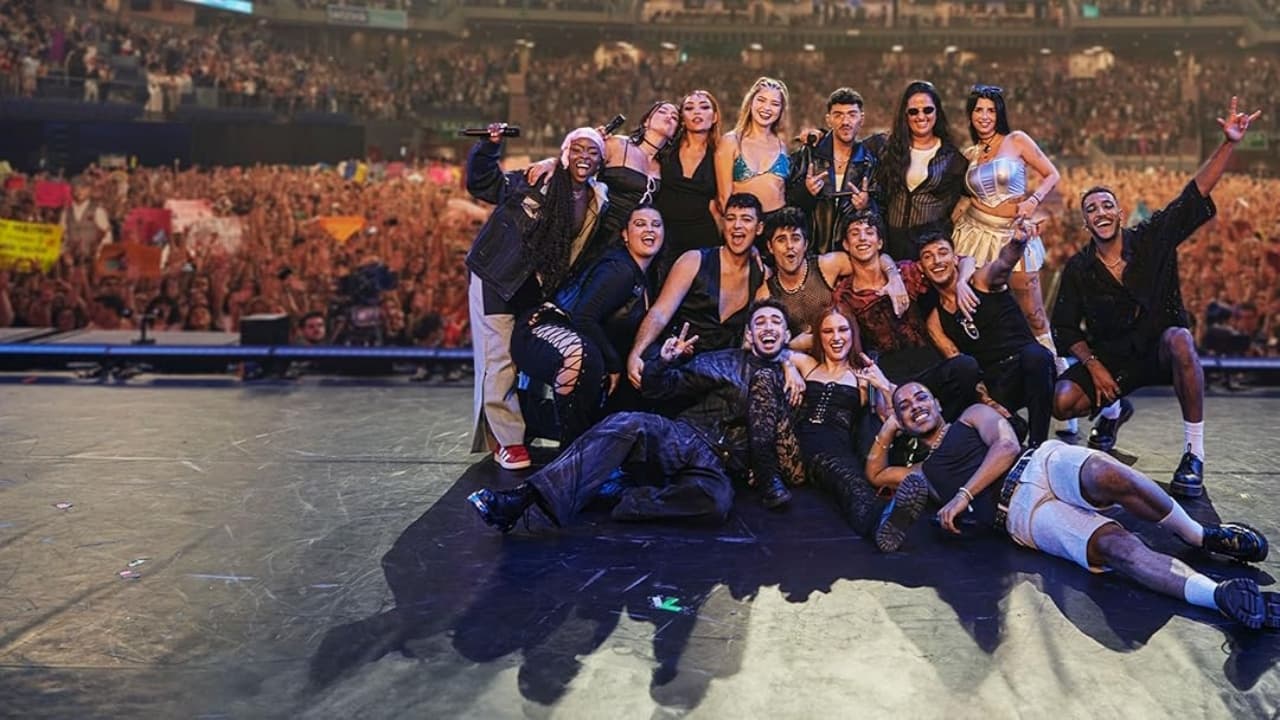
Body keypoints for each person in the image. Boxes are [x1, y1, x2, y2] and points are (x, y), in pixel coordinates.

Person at [868, 382, 1275, 631]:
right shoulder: (921, 472)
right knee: (1116, 549)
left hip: (1039, 463)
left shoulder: (972, 416)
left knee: (1108, 474)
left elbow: (1006, 446)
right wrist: (888, 426)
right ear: (901, 421)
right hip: (1020, 515)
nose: (915, 405)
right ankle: (1219, 595)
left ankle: (1201, 536)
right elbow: (876, 473)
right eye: (905, 406)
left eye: (921, 397)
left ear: (938, 403)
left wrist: (964, 495)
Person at [1050, 97, 1262, 498]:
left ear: (1120, 212)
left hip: (1158, 352)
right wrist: (1094, 367)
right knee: (1062, 402)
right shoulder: (1078, 268)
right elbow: (1063, 326)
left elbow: (1192, 195)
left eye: (1107, 205)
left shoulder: (1151, 238)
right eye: (1092, 209)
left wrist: (1229, 143)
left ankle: (1194, 453)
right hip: (1112, 360)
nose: (1101, 212)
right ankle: (1113, 410)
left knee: (1180, 338)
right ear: (1085, 222)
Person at [467, 300, 804, 532]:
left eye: (776, 322)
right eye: (760, 322)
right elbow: (659, 389)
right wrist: (663, 362)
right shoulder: (724, 361)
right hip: (682, 438)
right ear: (749, 335)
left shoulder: (793, 380)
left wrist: (788, 365)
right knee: (627, 422)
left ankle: (626, 498)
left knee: (715, 503)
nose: (768, 327)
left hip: (716, 465)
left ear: (787, 336)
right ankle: (521, 499)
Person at [465, 124, 608, 470]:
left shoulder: (597, 199)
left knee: (522, 358)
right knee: (498, 359)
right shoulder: (537, 179)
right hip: (497, 275)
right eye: (577, 150)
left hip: (536, 288)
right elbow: (485, 184)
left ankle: (520, 427)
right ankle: (508, 441)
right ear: (565, 153)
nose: (584, 157)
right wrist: (489, 148)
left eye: (592, 152)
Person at [510, 206, 664, 444]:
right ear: (624, 234)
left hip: (574, 340)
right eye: (640, 224)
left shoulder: (644, 277)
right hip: (541, 329)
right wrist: (614, 365)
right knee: (586, 358)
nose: (649, 230)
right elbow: (583, 317)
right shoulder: (619, 270)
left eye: (656, 224)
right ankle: (572, 451)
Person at [788, 306, 931, 551]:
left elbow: (895, 419)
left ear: (853, 334)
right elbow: (769, 346)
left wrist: (882, 385)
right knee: (847, 479)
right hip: (802, 444)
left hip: (838, 448)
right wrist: (789, 367)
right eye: (828, 331)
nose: (836, 337)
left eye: (843, 330)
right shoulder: (808, 365)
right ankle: (883, 518)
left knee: (850, 483)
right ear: (819, 336)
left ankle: (883, 522)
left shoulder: (862, 377)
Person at [951, 84, 1063, 375]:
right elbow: (965, 198)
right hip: (974, 235)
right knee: (983, 313)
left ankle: (1056, 373)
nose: (984, 116)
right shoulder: (969, 154)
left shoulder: (1017, 140)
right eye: (979, 110)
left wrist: (1034, 202)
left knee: (1034, 314)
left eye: (991, 110)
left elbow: (1052, 174)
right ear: (970, 115)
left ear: (999, 113)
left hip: (1013, 234)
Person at [832, 209, 982, 422]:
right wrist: (877, 386)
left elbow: (965, 260)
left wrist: (962, 282)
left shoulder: (905, 272)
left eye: (869, 232)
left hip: (929, 363)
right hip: (892, 374)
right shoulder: (845, 294)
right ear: (846, 245)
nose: (863, 238)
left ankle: (952, 428)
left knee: (966, 366)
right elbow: (854, 348)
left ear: (879, 242)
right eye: (855, 233)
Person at [918, 228, 1055, 447]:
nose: (937, 261)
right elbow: (960, 365)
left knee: (1036, 356)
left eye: (942, 253)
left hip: (1026, 366)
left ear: (955, 258)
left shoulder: (980, 280)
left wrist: (1017, 243)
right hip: (994, 382)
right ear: (921, 268)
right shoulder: (935, 321)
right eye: (928, 257)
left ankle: (1039, 445)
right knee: (1007, 431)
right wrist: (990, 404)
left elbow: (1003, 263)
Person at [625, 193, 766, 388]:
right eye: (731, 218)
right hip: (676, 364)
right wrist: (636, 353)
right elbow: (659, 313)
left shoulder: (762, 276)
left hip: (718, 377)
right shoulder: (693, 260)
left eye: (746, 219)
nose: (737, 225)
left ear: (759, 228)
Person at [755, 206, 906, 348]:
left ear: (805, 244)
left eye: (795, 238)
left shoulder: (827, 265)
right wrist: (792, 346)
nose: (789, 246)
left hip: (843, 351)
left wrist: (894, 277)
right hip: (798, 360)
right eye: (781, 240)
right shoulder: (766, 294)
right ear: (770, 247)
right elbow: (757, 345)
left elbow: (872, 258)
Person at [870, 81, 967, 261]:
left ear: (937, 112)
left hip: (928, 252)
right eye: (913, 111)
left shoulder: (953, 159)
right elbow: (850, 147)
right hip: (889, 246)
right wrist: (821, 134)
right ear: (905, 115)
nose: (921, 116)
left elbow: (967, 197)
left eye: (928, 110)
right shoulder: (886, 147)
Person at [786, 87, 879, 255]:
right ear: (828, 120)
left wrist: (866, 205)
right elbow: (788, 203)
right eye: (838, 115)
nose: (845, 122)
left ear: (861, 119)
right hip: (811, 253)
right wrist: (806, 192)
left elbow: (881, 212)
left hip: (852, 255)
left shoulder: (869, 162)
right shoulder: (809, 155)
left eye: (852, 114)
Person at [654, 90, 723, 261]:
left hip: (702, 237)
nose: (697, 112)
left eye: (704, 107)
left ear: (715, 117)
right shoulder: (665, 147)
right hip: (662, 236)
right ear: (682, 119)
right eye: (689, 108)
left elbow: (721, 204)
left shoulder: (721, 153)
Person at [716, 77, 791, 224]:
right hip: (744, 224)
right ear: (750, 102)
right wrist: (738, 228)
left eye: (775, 104)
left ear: (781, 110)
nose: (767, 108)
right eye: (761, 100)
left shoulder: (782, 145)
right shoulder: (731, 141)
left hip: (777, 225)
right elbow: (724, 198)